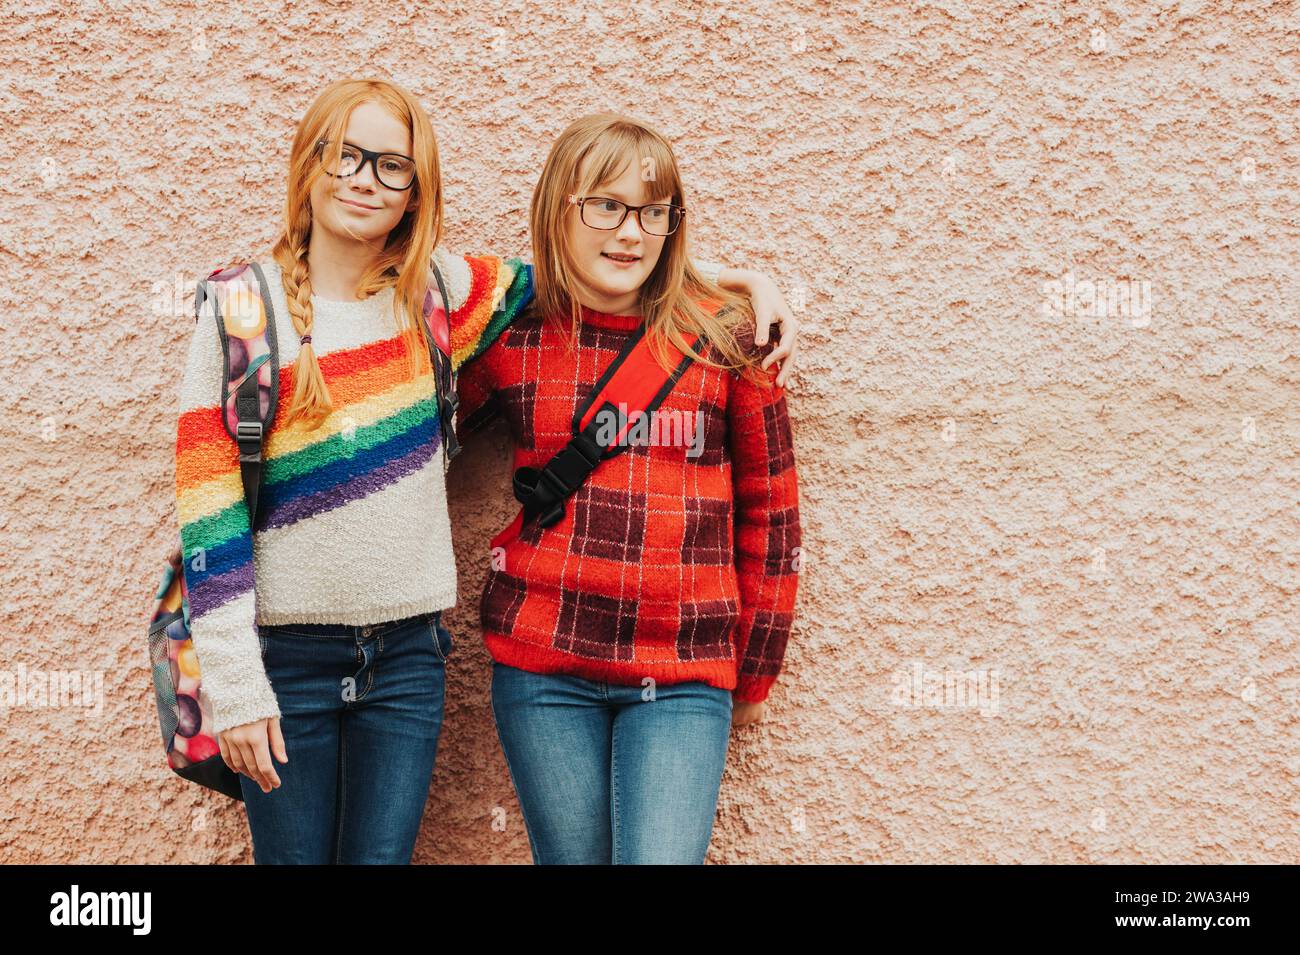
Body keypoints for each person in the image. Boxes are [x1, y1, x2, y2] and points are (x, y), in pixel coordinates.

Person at [174, 80, 799, 864]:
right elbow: (211, 509)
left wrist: (733, 282)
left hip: (436, 657)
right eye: (346, 156)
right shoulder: (258, 311)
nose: (365, 178)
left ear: (415, 191)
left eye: (392, 166)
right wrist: (231, 681)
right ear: (307, 164)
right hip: (315, 655)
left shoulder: (438, 298)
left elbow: (613, 273)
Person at [455, 113, 802, 864]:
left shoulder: (725, 340)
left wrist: (754, 667)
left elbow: (773, 515)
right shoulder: (514, 338)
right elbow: (418, 413)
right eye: (605, 206)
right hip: (543, 664)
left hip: (680, 673)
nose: (630, 233)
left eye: (652, 212)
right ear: (558, 210)